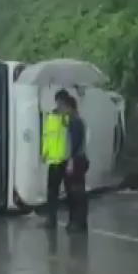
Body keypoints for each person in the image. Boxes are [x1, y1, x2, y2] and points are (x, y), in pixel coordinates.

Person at [51, 93, 89, 232]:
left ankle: (77, 222)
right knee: (74, 192)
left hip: (76, 160)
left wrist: (70, 161)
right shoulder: (73, 120)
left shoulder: (75, 121)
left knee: (76, 192)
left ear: (69, 107)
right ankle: (76, 222)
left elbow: (74, 144)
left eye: (61, 106)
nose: (59, 109)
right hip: (76, 160)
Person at [41, 90, 71, 228]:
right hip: (53, 160)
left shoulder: (69, 117)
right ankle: (50, 219)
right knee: (52, 192)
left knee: (70, 191)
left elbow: (73, 137)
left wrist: (65, 118)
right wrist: (44, 152)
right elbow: (46, 136)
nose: (59, 104)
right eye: (58, 101)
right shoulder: (51, 117)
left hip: (65, 159)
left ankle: (72, 220)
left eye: (62, 101)